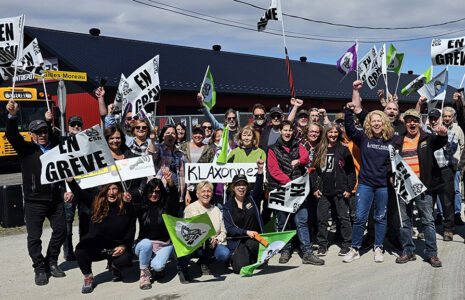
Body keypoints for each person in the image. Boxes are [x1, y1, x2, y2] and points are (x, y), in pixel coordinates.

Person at [6, 99, 66, 286]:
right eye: (38, 132)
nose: (42, 135)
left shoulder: (55, 147)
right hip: (34, 200)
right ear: (31, 135)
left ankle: (52, 261)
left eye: (44, 131)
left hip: (55, 199)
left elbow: (65, 141)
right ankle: (39, 268)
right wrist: (12, 116)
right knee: (34, 237)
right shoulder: (26, 150)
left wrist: (49, 122)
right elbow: (12, 135)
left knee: (62, 230)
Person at [343, 80, 394, 263]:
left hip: (382, 185)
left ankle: (378, 248)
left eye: (379, 120)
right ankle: (355, 248)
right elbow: (349, 129)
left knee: (380, 217)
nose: (377, 123)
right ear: (369, 123)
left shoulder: (390, 140)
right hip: (364, 184)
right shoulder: (363, 137)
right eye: (373, 121)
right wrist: (348, 111)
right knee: (360, 218)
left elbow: (395, 163)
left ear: (384, 122)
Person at [391, 109, 448, 267]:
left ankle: (432, 254)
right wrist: (391, 175)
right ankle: (408, 251)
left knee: (428, 221)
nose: (412, 123)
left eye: (415, 120)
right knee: (405, 222)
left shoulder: (427, 138)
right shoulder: (398, 141)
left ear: (419, 122)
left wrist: (443, 135)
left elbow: (440, 142)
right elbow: (391, 163)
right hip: (404, 188)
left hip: (423, 188)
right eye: (409, 121)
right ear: (405, 123)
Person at [267, 120, 324, 265]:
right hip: (281, 190)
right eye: (285, 130)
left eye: (290, 130)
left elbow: (306, 158)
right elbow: (273, 170)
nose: (288, 133)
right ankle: (286, 250)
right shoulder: (273, 149)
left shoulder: (298, 145)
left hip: (298, 191)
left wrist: (298, 161)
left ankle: (307, 252)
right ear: (280, 131)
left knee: (301, 221)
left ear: (293, 132)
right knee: (283, 223)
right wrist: (289, 182)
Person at [71, 183, 135, 293]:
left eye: (114, 188)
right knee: (80, 250)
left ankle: (115, 267)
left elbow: (131, 230)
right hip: (99, 246)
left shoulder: (126, 207)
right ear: (104, 191)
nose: (111, 192)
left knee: (124, 260)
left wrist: (124, 246)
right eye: (108, 189)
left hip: (116, 247)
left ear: (119, 191)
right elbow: (79, 193)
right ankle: (88, 277)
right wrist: (70, 181)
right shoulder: (96, 203)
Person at [311, 123, 356, 256]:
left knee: (343, 218)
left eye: (336, 132)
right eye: (330, 132)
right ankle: (322, 245)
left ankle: (347, 244)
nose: (333, 135)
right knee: (322, 219)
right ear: (326, 134)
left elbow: (351, 172)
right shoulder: (320, 149)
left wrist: (349, 188)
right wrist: (315, 187)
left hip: (340, 191)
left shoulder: (343, 149)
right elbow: (314, 171)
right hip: (324, 191)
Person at [133, 171, 179, 289]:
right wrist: (127, 202)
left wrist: (170, 183)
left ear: (161, 193)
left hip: (163, 245)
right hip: (144, 245)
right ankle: (144, 274)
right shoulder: (141, 207)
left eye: (157, 192)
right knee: (146, 244)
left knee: (158, 266)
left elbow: (174, 198)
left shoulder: (166, 207)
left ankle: (157, 266)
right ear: (147, 191)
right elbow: (127, 213)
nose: (154, 194)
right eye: (151, 191)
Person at [177, 181, 230, 283]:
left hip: (211, 244)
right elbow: (188, 232)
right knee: (187, 249)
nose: (206, 194)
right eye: (203, 191)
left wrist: (217, 239)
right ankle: (182, 268)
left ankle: (204, 262)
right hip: (195, 243)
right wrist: (206, 238)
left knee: (225, 253)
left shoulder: (216, 210)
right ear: (197, 194)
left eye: (209, 191)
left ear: (212, 193)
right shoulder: (191, 208)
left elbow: (223, 231)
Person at [223, 160, 265, 273]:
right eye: (238, 185)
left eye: (244, 184)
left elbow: (258, 187)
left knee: (259, 256)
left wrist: (260, 171)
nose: (241, 187)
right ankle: (239, 257)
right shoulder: (227, 206)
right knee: (240, 269)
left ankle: (253, 257)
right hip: (238, 241)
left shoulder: (252, 199)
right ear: (233, 187)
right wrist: (245, 232)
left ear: (247, 187)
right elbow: (230, 228)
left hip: (255, 239)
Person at [62, 115, 84, 261]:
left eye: (78, 124)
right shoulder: (62, 142)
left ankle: (84, 249)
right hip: (68, 188)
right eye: (73, 124)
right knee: (68, 221)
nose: (76, 127)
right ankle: (68, 251)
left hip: (84, 188)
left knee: (85, 219)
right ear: (68, 126)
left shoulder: (86, 142)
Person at [179, 124, 215, 204]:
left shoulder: (209, 150)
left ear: (204, 135)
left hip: (202, 189)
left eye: (200, 133)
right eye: (195, 133)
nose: (198, 135)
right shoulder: (184, 147)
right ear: (192, 135)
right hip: (185, 187)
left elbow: (212, 169)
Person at [441, 106, 465, 226]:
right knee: (442, 191)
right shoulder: (438, 128)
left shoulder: (458, 129)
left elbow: (463, 146)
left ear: (453, 117)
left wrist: (461, 164)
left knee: (456, 191)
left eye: (449, 116)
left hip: (455, 165)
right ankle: (440, 214)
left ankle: (456, 214)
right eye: (444, 116)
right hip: (440, 166)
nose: (446, 118)